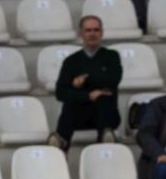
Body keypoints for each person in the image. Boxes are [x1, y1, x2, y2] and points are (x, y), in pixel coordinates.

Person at [49, 15, 122, 151]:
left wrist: (82, 83)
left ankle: (105, 140)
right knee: (71, 103)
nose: (92, 34)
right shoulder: (71, 61)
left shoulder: (112, 56)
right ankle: (61, 143)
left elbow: (113, 80)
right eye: (88, 30)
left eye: (96, 30)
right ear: (81, 33)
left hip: (106, 115)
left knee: (102, 97)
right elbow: (60, 93)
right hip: (79, 115)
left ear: (102, 33)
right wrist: (88, 95)